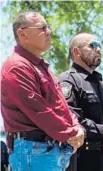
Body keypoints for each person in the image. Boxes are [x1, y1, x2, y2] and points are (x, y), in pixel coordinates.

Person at [0, 11, 85, 171]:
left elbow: (61, 105)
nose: (49, 32)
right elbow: (39, 110)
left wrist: (76, 127)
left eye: (48, 27)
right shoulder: (16, 67)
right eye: (43, 28)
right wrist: (71, 133)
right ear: (22, 33)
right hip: (33, 152)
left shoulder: (40, 67)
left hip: (49, 150)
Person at [59, 32, 103, 171]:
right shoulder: (68, 80)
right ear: (76, 51)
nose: (98, 49)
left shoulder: (100, 84)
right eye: (93, 45)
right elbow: (71, 121)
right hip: (84, 159)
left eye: (99, 46)